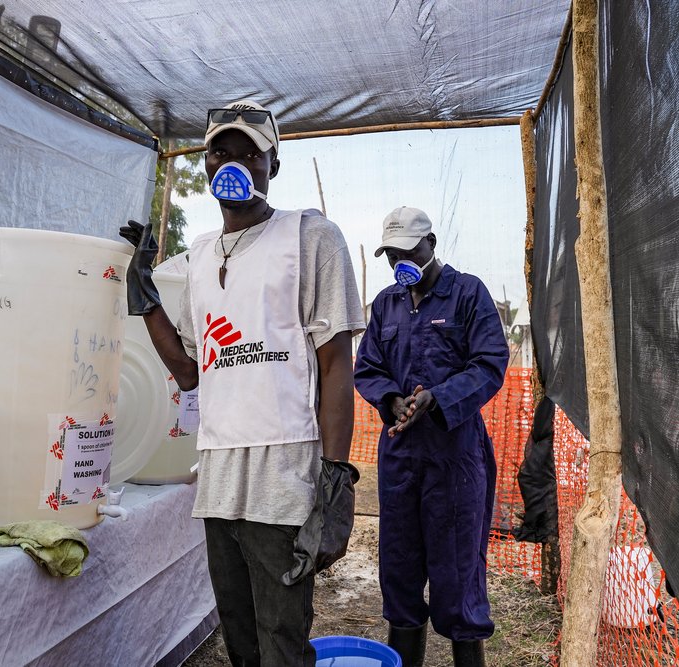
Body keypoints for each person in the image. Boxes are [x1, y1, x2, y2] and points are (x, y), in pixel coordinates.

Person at [120, 99, 365, 666]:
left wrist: (335, 478)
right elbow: (188, 372)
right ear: (207, 166)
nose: (232, 162)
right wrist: (148, 301)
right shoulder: (198, 257)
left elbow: (335, 365)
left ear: (272, 165)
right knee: (240, 637)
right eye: (220, 152)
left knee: (282, 637)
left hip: (284, 469)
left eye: (248, 153)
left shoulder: (310, 238)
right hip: (220, 470)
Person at [353, 206, 509, 667]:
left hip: (455, 458)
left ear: (431, 244)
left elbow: (489, 363)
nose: (398, 262)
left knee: (459, 572)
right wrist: (392, 400)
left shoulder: (467, 294)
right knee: (399, 567)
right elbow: (369, 368)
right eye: (390, 254)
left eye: (407, 251)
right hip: (401, 457)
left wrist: (436, 399)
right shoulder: (386, 304)